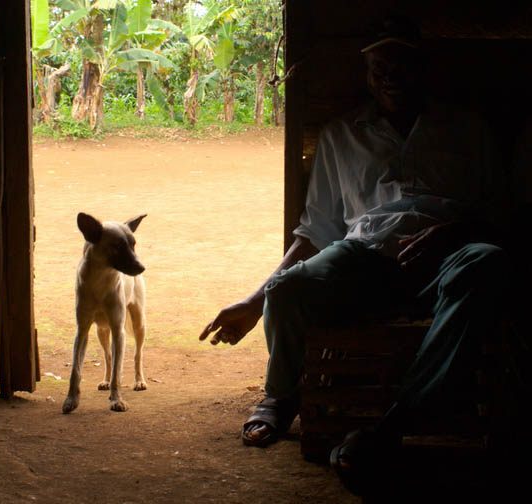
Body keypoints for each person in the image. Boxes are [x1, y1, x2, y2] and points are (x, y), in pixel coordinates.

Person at [199, 16, 511, 495]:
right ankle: (281, 398)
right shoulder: (341, 134)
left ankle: (392, 425)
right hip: (366, 257)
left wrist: (453, 233)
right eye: (379, 66)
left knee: (487, 261)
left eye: (402, 64)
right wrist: (255, 301)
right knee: (287, 290)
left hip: (449, 257)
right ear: (366, 73)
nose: (390, 75)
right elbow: (316, 229)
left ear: (424, 68)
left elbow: (499, 212)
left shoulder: (468, 129)